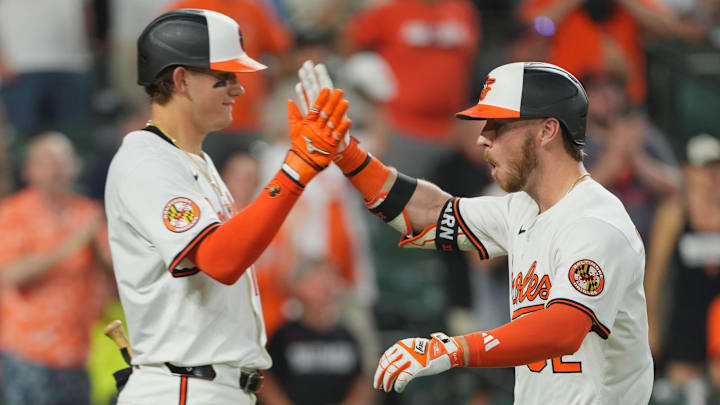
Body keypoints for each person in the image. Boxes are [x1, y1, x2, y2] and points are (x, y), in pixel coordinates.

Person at [298, 60, 652, 403]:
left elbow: (563, 329)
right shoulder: (522, 208)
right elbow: (428, 213)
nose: (483, 138)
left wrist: (453, 348)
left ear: (547, 130)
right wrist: (347, 155)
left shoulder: (595, 221)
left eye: (497, 125)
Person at [104, 9, 350, 405]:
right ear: (181, 79)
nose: (239, 89)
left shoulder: (194, 160)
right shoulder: (146, 160)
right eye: (225, 78)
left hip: (208, 386)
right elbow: (219, 259)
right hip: (183, 388)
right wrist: (296, 170)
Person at [0, 132, 111, 405]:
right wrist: (73, 243)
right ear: (29, 170)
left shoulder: (88, 213)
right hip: (27, 350)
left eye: (64, 160)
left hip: (80, 350)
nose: (58, 169)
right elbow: (9, 274)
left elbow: (118, 280)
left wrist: (95, 249)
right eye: (49, 161)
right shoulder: (13, 212)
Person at [644, 133, 720, 403]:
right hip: (682, 323)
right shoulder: (674, 213)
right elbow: (655, 273)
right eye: (703, 169)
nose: (710, 177)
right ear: (688, 171)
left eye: (715, 168)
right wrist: (651, 325)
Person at [258, 258, 374, 405]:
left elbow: (361, 382)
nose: (324, 289)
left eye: (328, 282)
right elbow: (267, 381)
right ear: (299, 287)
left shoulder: (346, 335)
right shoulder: (284, 335)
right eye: (316, 283)